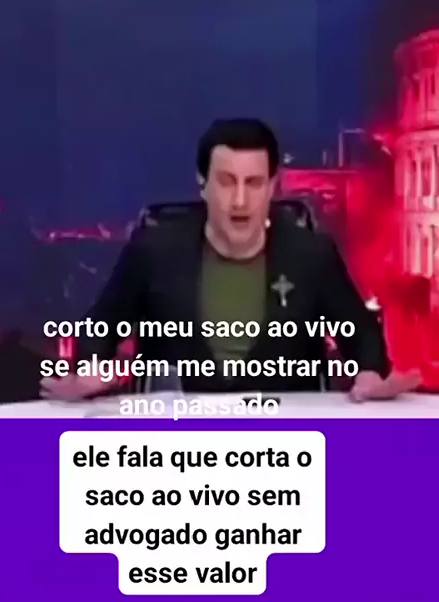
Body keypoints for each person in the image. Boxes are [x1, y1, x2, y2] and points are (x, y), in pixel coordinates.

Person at [41, 118, 418, 402]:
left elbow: (361, 332)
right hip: (178, 443)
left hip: (285, 444)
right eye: (226, 182)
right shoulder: (154, 250)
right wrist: (91, 371)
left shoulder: (311, 255)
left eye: (253, 183)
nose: (239, 200)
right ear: (202, 185)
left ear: (272, 187)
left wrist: (369, 374)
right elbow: (101, 324)